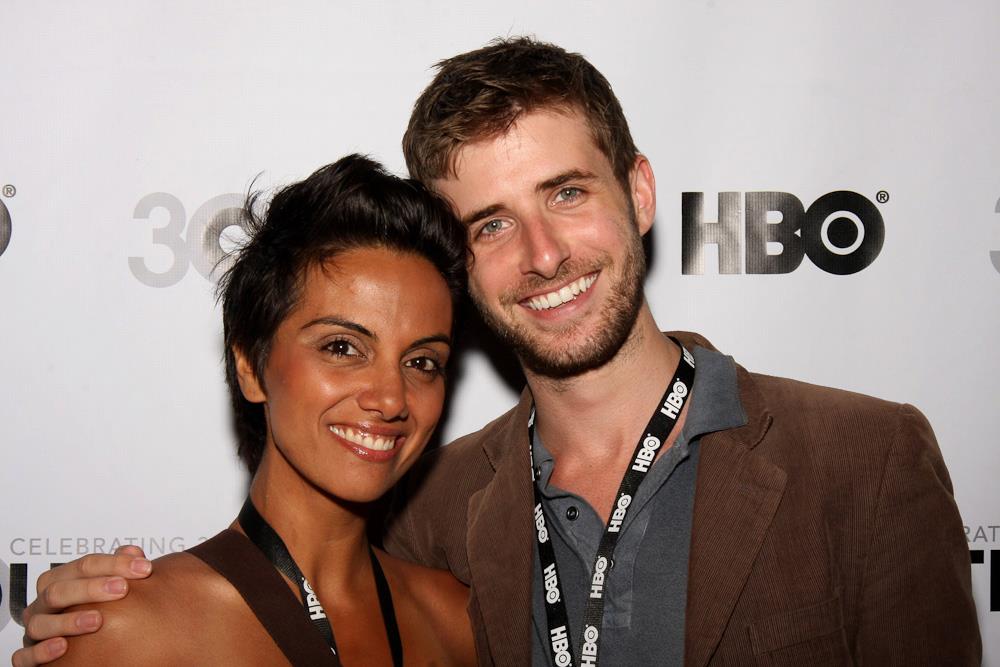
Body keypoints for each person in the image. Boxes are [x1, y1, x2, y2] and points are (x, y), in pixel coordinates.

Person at [15, 38, 980, 667]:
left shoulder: (866, 460)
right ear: (459, 264)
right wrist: (92, 613)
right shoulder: (427, 517)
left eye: (566, 192)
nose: (544, 254)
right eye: (490, 223)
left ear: (639, 193)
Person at [16, 154, 476, 666]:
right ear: (251, 368)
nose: (391, 398)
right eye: (342, 348)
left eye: (421, 361)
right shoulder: (128, 632)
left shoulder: (457, 621)